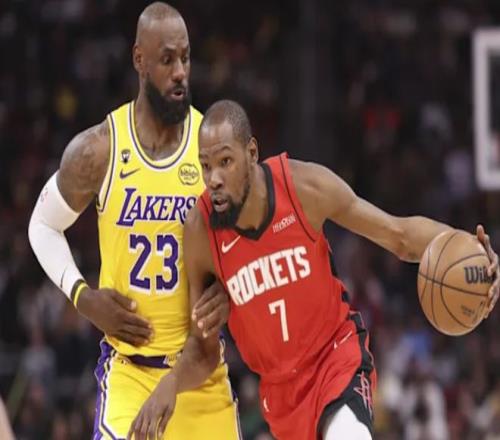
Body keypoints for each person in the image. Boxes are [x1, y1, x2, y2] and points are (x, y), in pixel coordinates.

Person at [132, 99, 500, 440]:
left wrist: (470, 248)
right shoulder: (200, 230)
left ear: (252, 153)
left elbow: (399, 235)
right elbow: (203, 348)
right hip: (280, 395)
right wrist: (171, 383)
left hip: (335, 359)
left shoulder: (304, 188)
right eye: (205, 166)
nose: (213, 178)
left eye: (225, 162)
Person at [28, 4, 241, 439]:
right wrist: (82, 296)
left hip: (198, 372)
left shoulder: (212, 150)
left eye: (185, 58)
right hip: (131, 371)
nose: (180, 72)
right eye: (167, 59)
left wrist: (229, 288)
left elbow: (250, 242)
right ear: (139, 60)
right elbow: (42, 226)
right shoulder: (100, 149)